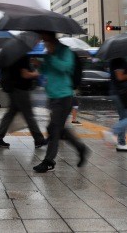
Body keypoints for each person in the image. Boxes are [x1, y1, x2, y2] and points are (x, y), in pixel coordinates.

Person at [32, 32, 88, 172]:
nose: (43, 41)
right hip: (52, 96)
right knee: (56, 128)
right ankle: (81, 148)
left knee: (54, 129)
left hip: (64, 96)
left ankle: (49, 161)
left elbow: (65, 68)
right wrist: (39, 64)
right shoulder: (48, 52)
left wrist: (52, 56)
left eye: (44, 39)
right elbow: (46, 71)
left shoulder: (65, 51)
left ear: (50, 37)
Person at [0, 32, 47, 149]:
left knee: (10, 113)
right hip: (20, 89)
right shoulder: (21, 54)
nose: (37, 42)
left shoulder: (15, 53)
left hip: (13, 88)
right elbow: (25, 74)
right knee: (29, 115)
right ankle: (39, 140)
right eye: (37, 40)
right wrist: (36, 73)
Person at [102, 56, 127, 152]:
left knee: (123, 118)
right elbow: (120, 77)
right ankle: (112, 132)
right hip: (122, 94)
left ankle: (121, 143)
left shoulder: (114, 60)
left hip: (117, 93)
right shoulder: (119, 60)